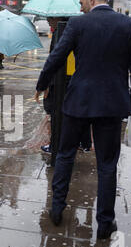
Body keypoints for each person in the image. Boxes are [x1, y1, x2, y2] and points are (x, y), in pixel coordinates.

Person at [34, 0, 131, 239]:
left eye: (82, 1)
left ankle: (57, 208)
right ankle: (105, 223)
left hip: (78, 102)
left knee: (64, 155)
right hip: (112, 105)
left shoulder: (77, 24)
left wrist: (42, 84)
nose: (81, 6)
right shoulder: (129, 25)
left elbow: (56, 58)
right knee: (107, 165)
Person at [37, 16, 92, 155]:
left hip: (62, 79)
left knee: (56, 112)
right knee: (79, 112)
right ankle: (83, 142)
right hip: (77, 78)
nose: (48, 20)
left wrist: (44, 84)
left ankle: (56, 145)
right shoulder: (81, 30)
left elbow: (54, 59)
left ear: (58, 18)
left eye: (50, 18)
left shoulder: (62, 32)